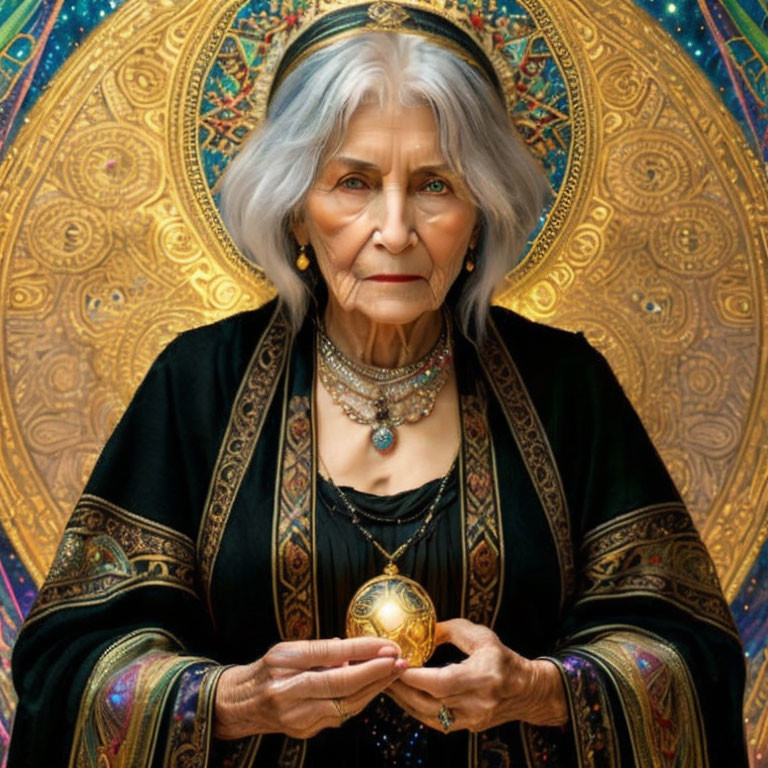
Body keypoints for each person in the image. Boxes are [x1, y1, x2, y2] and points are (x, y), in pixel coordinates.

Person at [8, 3, 747, 766]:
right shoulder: (198, 386)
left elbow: (689, 656)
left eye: (436, 185)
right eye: (354, 183)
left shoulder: (565, 387)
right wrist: (232, 702)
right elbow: (68, 665)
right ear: (296, 209)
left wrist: (537, 689)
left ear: (481, 212)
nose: (395, 230)